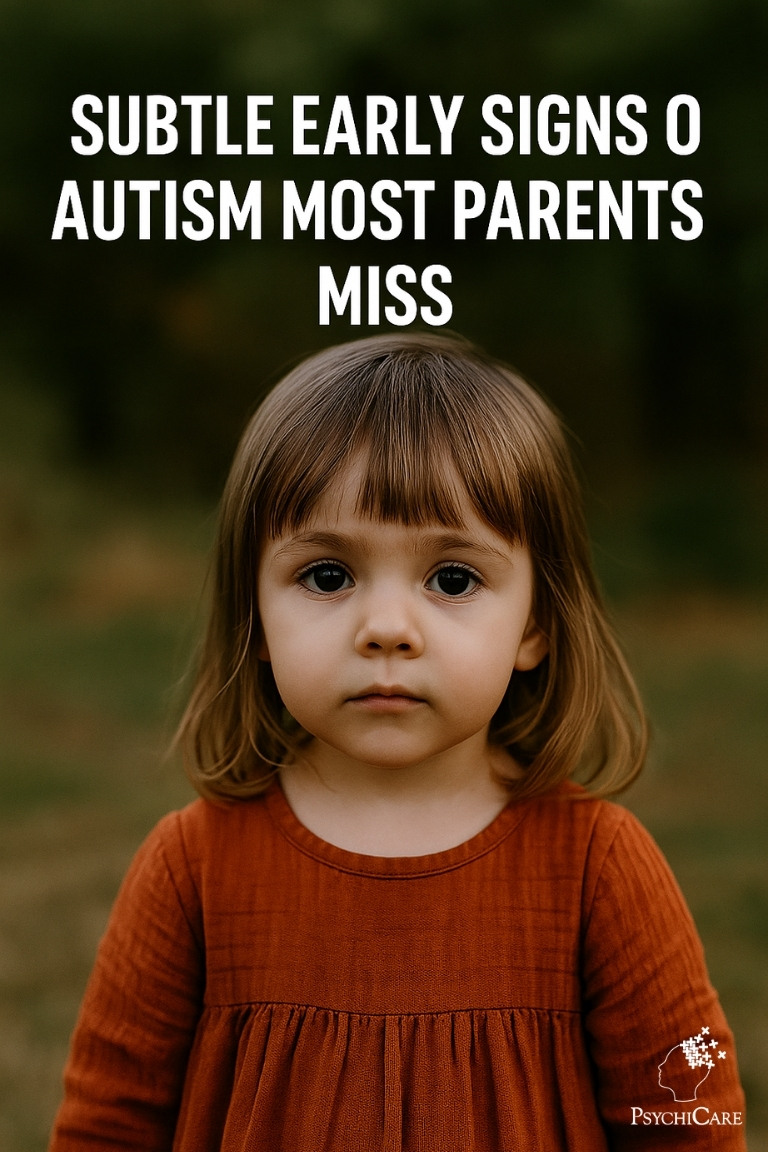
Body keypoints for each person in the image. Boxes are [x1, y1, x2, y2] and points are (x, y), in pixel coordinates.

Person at [49, 333, 746, 1150]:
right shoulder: (190, 870)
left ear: (537, 624)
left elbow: (690, 1125)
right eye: (327, 576)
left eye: (453, 579)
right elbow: (106, 1129)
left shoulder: (600, 869)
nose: (385, 629)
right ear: (256, 617)